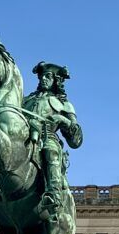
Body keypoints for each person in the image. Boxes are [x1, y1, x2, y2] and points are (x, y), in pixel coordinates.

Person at [22, 61, 83, 223]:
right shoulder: (25, 101)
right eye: (41, 76)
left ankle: (53, 193)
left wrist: (62, 119)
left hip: (47, 137)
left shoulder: (64, 105)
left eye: (48, 76)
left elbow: (76, 141)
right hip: (22, 138)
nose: (43, 79)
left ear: (56, 80)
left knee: (51, 150)